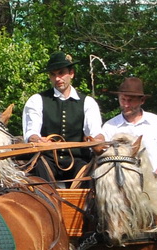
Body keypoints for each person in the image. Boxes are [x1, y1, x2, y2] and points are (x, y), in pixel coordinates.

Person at [21, 52, 102, 183]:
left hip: (78, 162)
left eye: (61, 73)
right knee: (39, 168)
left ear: (71, 73)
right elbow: (31, 133)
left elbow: (96, 133)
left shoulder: (88, 102)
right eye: (53, 75)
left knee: (91, 176)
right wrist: (38, 140)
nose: (57, 78)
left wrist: (97, 140)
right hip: (47, 160)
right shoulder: (36, 100)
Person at [100, 77, 157, 177]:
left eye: (130, 100)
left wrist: (153, 179)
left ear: (142, 100)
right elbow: (105, 160)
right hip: (121, 184)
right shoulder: (110, 126)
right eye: (123, 100)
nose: (126, 105)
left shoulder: (156, 122)